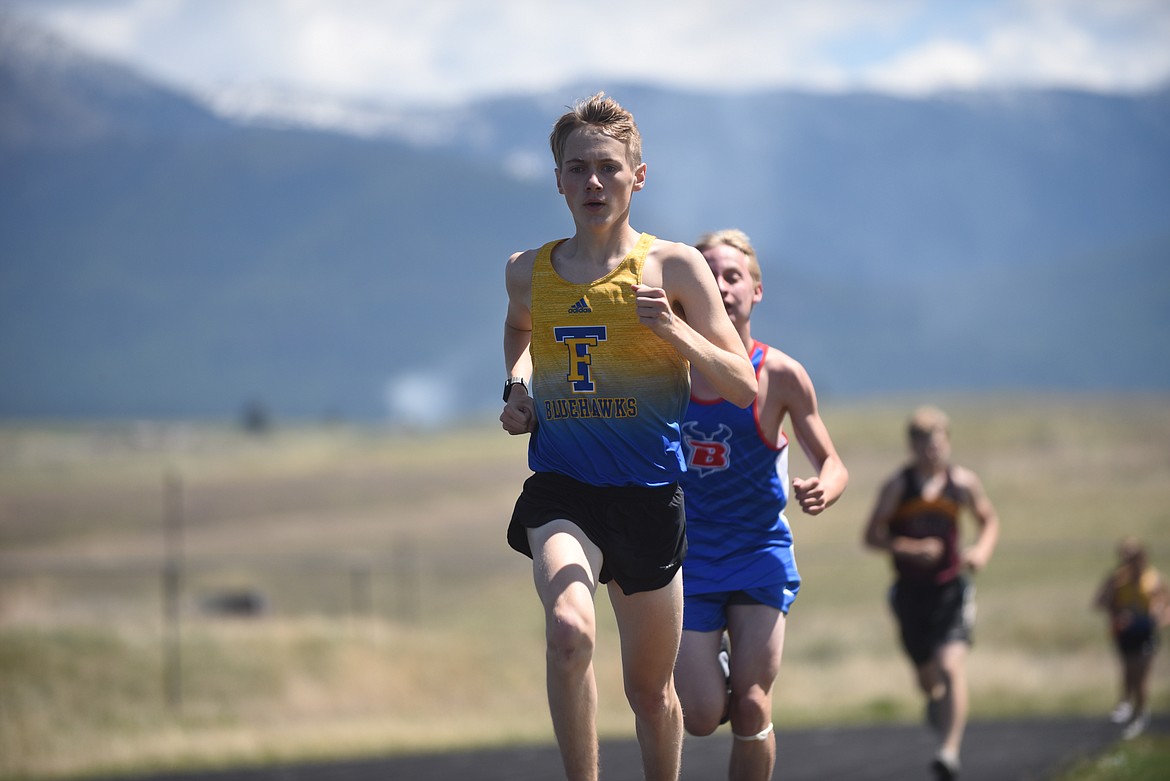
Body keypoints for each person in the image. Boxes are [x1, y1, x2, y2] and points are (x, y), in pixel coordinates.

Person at [499, 93, 757, 781]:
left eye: (608, 168)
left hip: (648, 496)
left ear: (637, 177)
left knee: (650, 693)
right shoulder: (529, 269)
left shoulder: (671, 268)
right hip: (564, 487)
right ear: (557, 178)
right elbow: (520, 328)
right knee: (570, 631)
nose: (592, 183)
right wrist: (517, 387)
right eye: (577, 168)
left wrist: (675, 331)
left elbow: (742, 385)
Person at [672, 229, 849, 781]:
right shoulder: (662, 374)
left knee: (751, 704)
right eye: (709, 276)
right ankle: (715, 666)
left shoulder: (780, 375)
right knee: (700, 717)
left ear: (756, 289)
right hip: (687, 561)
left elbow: (834, 462)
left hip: (758, 554)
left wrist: (825, 486)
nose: (722, 287)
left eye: (732, 276)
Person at [862, 405, 1000, 781]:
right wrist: (910, 548)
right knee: (928, 677)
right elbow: (872, 535)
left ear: (947, 444)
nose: (931, 452)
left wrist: (981, 552)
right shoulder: (899, 487)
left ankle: (949, 751)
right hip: (910, 594)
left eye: (937, 444)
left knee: (951, 666)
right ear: (912, 446)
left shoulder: (962, 484)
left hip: (951, 590)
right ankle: (936, 702)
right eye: (924, 445)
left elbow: (988, 520)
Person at [1093, 536, 1169, 740]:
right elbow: (1100, 602)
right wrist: (1117, 611)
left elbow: (1165, 605)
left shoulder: (1153, 579)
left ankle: (1140, 712)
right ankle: (1127, 704)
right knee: (1129, 671)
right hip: (1125, 632)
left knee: (1141, 673)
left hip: (1145, 631)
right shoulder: (1118, 579)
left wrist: (1158, 618)